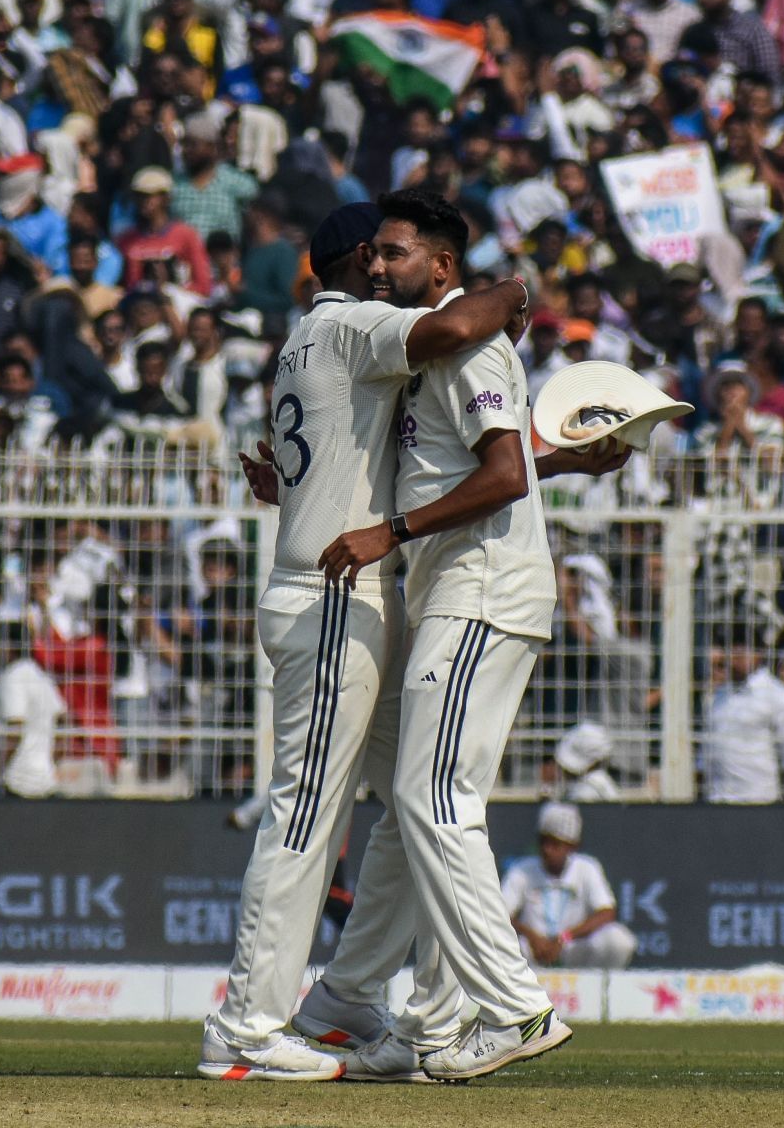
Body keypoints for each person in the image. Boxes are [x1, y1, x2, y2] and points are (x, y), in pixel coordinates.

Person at [200, 200, 528, 1082]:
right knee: (307, 814)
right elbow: (456, 324)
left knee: (415, 807)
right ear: (358, 260)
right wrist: (515, 291)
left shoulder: (305, 339)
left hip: (344, 595)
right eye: (379, 252)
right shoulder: (354, 326)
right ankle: (245, 1027)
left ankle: (348, 995)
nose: (388, 266)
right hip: (334, 600)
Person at [501, 801, 637, 971]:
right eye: (543, 842)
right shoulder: (522, 869)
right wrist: (532, 937)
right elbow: (501, 914)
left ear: (572, 847)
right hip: (532, 951)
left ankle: (596, 985)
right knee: (499, 939)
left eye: (555, 844)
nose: (547, 850)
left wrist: (565, 938)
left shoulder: (586, 867)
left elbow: (606, 912)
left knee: (618, 939)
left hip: (572, 947)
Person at [699, 619, 784, 804]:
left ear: (758, 654)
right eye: (731, 649)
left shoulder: (776, 694)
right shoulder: (719, 697)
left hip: (758, 799)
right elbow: (705, 754)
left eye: (741, 650)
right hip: (718, 799)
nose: (735, 657)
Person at [0, 616, 66, 799]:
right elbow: (63, 720)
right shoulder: (41, 676)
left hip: (15, 783)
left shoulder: (12, 677)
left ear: (8, 646)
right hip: (45, 782)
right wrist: (51, 763)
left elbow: (15, 730)